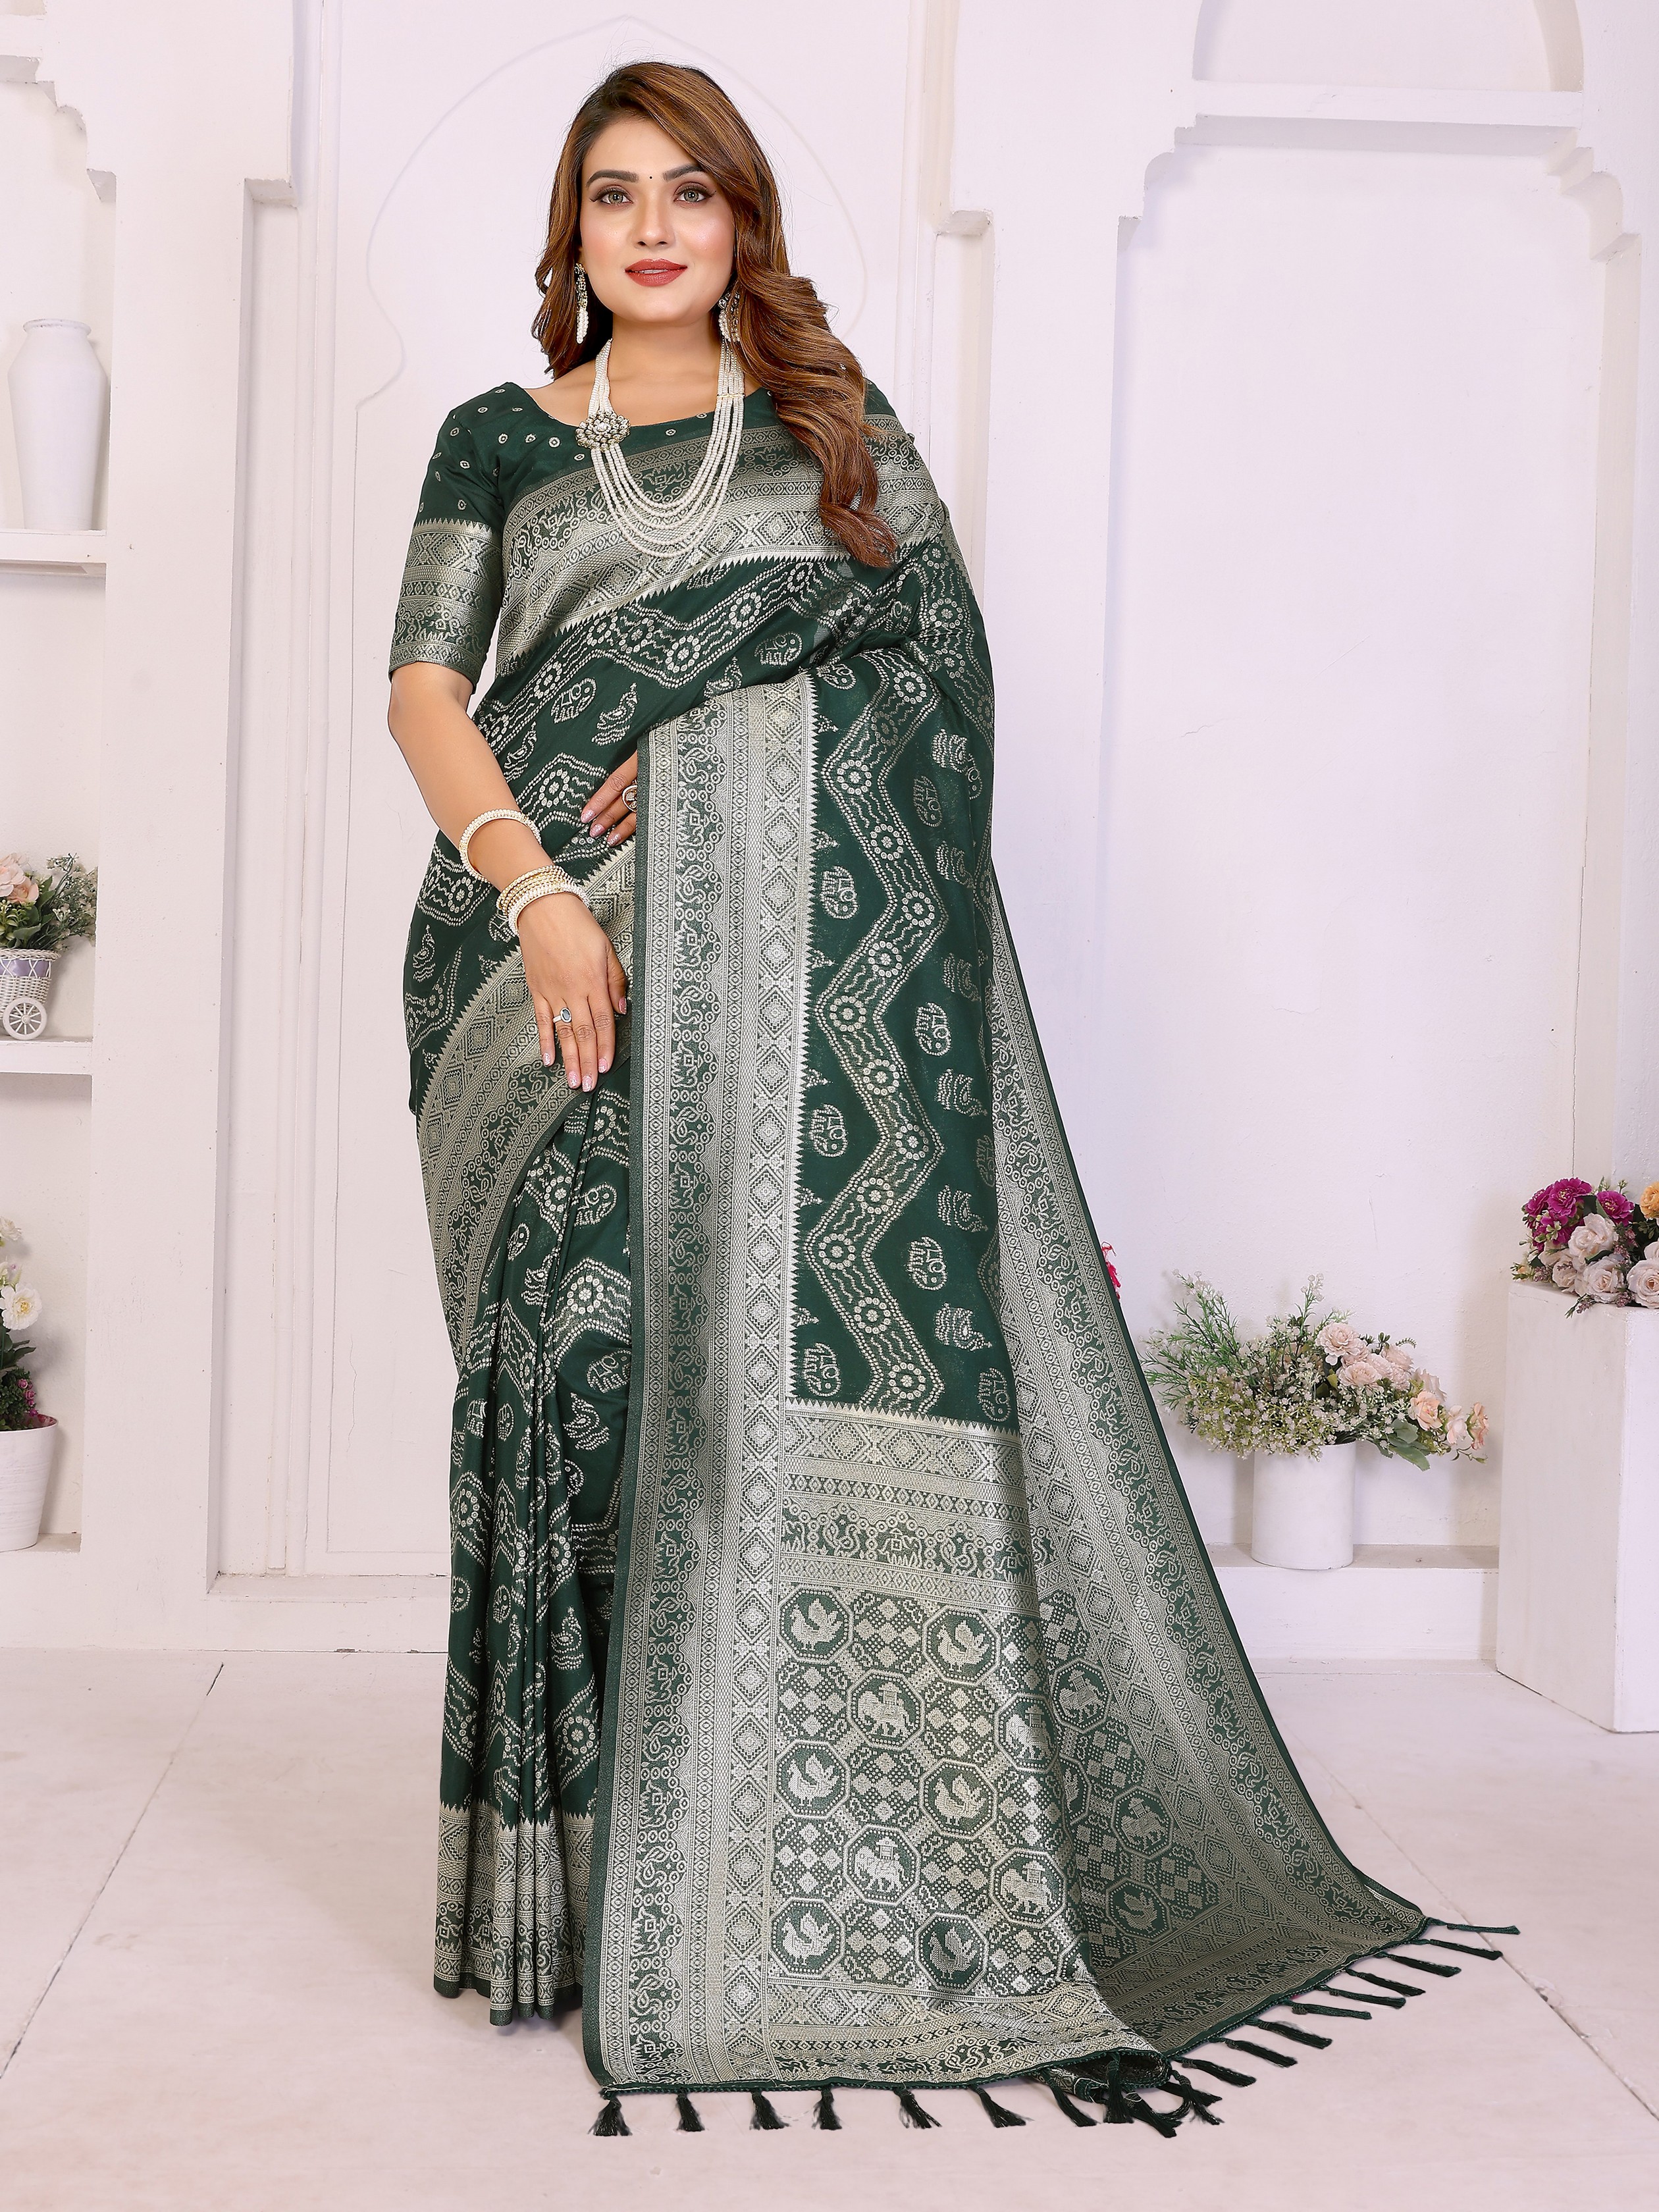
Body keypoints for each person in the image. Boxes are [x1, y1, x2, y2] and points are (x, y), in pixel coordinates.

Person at [387, 59, 1429, 2133]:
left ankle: (792, 1871)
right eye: (616, 194)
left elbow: (937, 677)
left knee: (710, 1386)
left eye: (692, 192)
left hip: (792, 992)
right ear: (573, 229)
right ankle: (574, 1893)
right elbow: (426, 687)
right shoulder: (499, 438)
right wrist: (537, 892)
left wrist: (712, 758)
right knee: (576, 1376)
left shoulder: (834, 429)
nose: (654, 229)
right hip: (538, 964)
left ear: (744, 223)